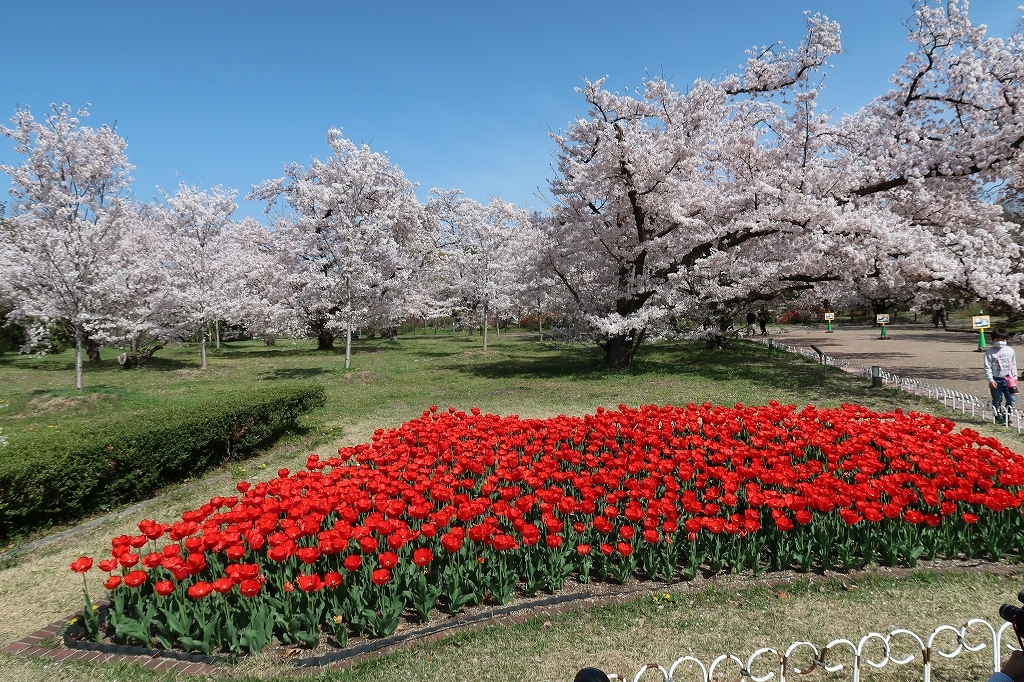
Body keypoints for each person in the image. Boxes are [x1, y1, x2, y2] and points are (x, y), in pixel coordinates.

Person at [985, 328, 1019, 424]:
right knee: (997, 399)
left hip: (1009, 379)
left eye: (1003, 340)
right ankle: (998, 416)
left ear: (1006, 340)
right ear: (993, 340)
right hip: (996, 380)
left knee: (1012, 399)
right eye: (997, 339)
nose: (1000, 342)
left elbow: (1013, 364)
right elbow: (987, 367)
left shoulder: (1010, 351)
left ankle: (1007, 416)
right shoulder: (990, 353)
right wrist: (991, 380)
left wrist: (1015, 377)